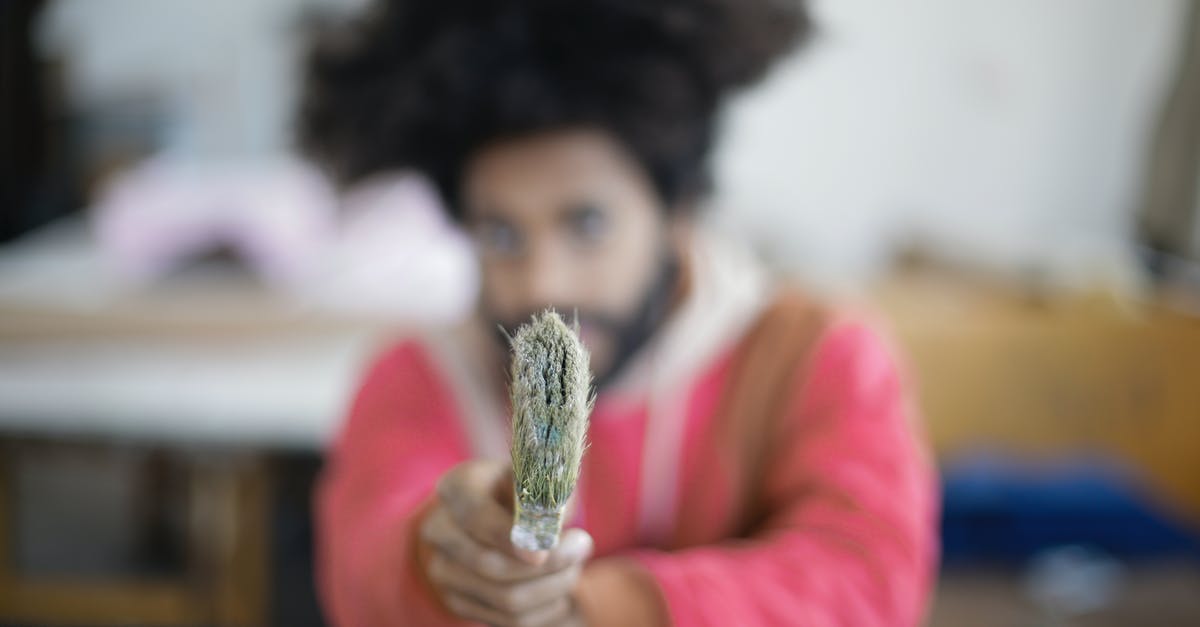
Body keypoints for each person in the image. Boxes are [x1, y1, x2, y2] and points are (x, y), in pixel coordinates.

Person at [300, 1, 938, 625]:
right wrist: (441, 561)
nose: (542, 283)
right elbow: (363, 570)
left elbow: (868, 578)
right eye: (501, 235)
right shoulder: (413, 374)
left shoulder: (816, 353)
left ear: (676, 213)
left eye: (587, 223)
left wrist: (603, 611)